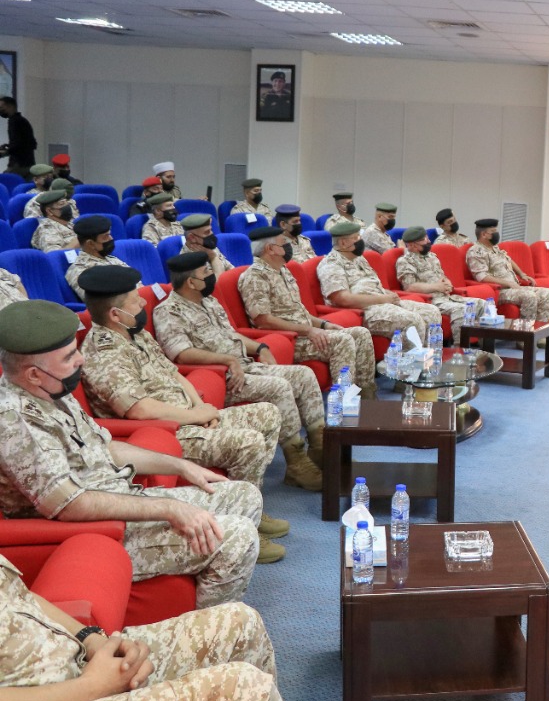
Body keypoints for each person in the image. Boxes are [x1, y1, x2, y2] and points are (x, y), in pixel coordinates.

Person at [0, 300, 262, 604]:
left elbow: (106, 448)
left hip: (119, 499)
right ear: (33, 374)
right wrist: (169, 508)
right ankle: (214, 622)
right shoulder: (14, 419)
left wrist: (181, 467)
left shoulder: (52, 390)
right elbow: (70, 505)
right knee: (237, 536)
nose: (81, 359)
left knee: (244, 495)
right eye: (69, 356)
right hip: (93, 533)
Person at [76, 267, 287, 562]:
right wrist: (194, 417)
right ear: (115, 314)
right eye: (135, 301)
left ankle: (252, 505)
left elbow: (174, 373)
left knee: (267, 413)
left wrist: (200, 408)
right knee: (248, 442)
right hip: (168, 433)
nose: (144, 303)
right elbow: (139, 409)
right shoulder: (104, 352)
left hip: (189, 416)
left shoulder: (135, 334)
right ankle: (246, 524)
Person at [0, 583, 296, 701]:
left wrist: (91, 640)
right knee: (247, 693)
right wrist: (92, 686)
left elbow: (18, 595)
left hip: (78, 663)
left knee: (240, 623)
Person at [154, 251, 326, 492]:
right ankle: (296, 463)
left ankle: (320, 449)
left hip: (244, 365)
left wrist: (261, 347)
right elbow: (181, 354)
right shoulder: (169, 311)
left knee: (303, 375)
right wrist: (227, 360)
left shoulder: (209, 301)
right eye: (206, 272)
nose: (212, 275)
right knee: (279, 387)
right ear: (191, 282)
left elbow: (232, 335)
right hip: (223, 377)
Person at [237, 227, 377, 396]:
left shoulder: (282, 270)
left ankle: (366, 394)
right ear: (270, 249)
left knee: (361, 333)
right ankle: (343, 401)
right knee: (342, 341)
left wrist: (324, 325)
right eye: (283, 243)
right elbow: (263, 320)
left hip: (306, 332)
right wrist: (309, 330)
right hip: (290, 338)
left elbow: (299, 312)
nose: (288, 246)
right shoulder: (255, 277)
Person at [320, 222, 441, 339]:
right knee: (412, 321)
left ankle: (428, 352)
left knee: (432, 312)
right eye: (356, 237)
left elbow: (372, 285)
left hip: (382, 301)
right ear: (343, 242)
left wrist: (388, 294)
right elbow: (343, 299)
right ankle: (409, 353)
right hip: (365, 310)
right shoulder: (331, 264)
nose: (360, 240)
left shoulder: (358, 259)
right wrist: (382, 299)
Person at [466, 218, 549, 321]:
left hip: (513, 287)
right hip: (499, 291)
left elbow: (508, 260)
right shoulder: (476, 251)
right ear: (484, 234)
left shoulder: (494, 247)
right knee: (529, 296)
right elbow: (482, 277)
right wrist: (508, 283)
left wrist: (522, 274)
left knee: (548, 293)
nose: (496, 234)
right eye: (493, 232)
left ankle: (538, 328)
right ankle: (524, 329)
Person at [397, 226, 469, 327]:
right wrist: (437, 287)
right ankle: (460, 338)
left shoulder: (431, 256)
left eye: (427, 238)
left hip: (447, 297)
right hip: (431, 301)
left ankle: (476, 337)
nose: (429, 241)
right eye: (424, 240)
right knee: (461, 309)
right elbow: (410, 287)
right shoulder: (405, 261)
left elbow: (442, 277)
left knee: (480, 304)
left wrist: (448, 284)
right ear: (412, 245)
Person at [65, 215, 128, 302]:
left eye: (109, 234)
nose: (111, 239)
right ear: (90, 244)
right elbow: (101, 302)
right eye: (105, 237)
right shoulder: (80, 270)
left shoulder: (112, 259)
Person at [0, 95, 36, 178]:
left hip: (19, 164)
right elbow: (28, 143)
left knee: (5, 181)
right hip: (28, 163)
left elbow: (18, 144)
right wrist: (9, 146)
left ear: (10, 106)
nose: (0, 110)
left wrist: (6, 151)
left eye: (1, 107)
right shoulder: (22, 120)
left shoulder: (14, 122)